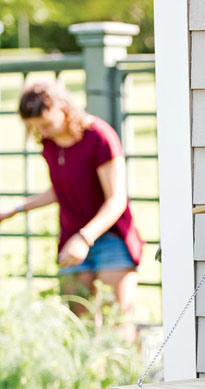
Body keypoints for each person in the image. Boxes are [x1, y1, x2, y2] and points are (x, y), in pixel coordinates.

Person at [0, 80, 144, 339]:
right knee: (80, 327)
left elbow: (116, 199)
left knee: (118, 324)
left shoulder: (99, 137)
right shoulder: (50, 143)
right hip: (71, 239)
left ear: (63, 109)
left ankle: (129, 378)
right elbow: (61, 188)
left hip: (111, 239)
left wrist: (85, 237)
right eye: (34, 128)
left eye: (45, 124)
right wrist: (16, 209)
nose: (41, 132)